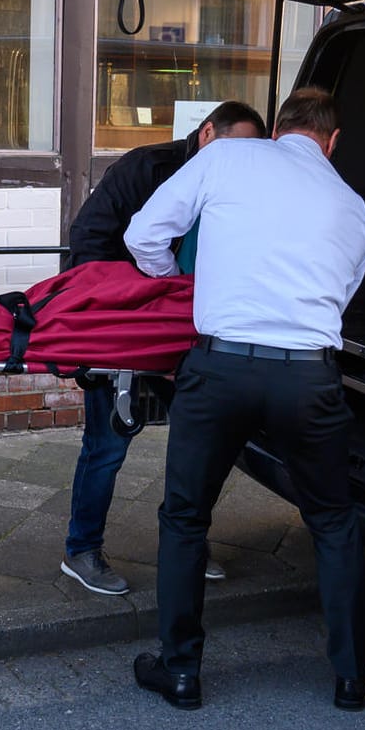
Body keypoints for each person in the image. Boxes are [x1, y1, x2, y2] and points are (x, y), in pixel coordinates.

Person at [123, 87, 365, 711]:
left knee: (185, 516)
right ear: (332, 141)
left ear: (279, 128)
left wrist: (181, 287)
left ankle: (181, 671)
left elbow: (142, 235)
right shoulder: (352, 206)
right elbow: (339, 300)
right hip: (308, 376)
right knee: (334, 522)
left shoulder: (227, 158)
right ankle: (350, 675)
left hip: (221, 367)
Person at [58, 100, 266, 596]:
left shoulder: (244, 183)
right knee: (107, 444)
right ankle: (81, 549)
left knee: (199, 441)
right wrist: (97, 324)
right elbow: (87, 240)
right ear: (207, 133)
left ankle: (188, 542)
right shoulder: (143, 168)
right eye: (235, 148)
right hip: (124, 322)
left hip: (194, 329)